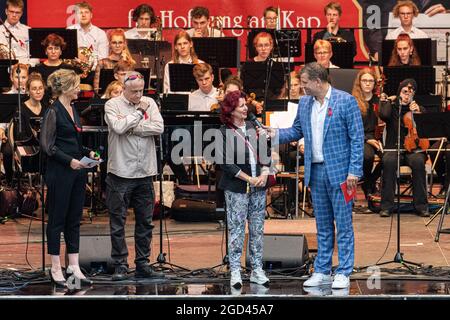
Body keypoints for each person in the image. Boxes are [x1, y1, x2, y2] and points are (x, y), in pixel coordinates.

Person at [264, 62, 364, 289]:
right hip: (316, 171)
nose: (302, 87)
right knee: (323, 225)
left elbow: (357, 139)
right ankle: (322, 270)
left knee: (344, 224)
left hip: (341, 173)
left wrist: (354, 171)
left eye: (305, 83)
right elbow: (297, 130)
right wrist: (274, 134)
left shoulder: (345, 101)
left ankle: (344, 271)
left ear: (318, 81)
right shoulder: (305, 103)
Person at [104, 71, 165, 281]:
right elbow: (119, 127)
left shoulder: (150, 102)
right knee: (118, 222)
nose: (139, 95)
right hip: (120, 172)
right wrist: (138, 113)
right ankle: (120, 264)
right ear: (124, 88)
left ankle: (142, 263)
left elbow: (159, 127)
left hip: (145, 171)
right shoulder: (112, 105)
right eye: (134, 92)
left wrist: (133, 127)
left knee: (145, 222)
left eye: (141, 90)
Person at [40, 69, 98, 287]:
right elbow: (47, 145)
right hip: (61, 171)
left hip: (77, 170)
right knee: (57, 219)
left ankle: (73, 265)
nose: (79, 89)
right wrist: (69, 161)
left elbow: (74, 140)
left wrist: (88, 152)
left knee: (74, 219)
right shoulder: (53, 111)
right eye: (76, 86)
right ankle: (55, 266)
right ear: (65, 88)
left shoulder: (73, 109)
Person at [217, 90, 271, 288]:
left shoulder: (253, 126)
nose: (245, 108)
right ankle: (235, 271)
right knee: (237, 229)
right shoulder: (223, 132)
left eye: (245, 104)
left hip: (259, 185)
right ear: (230, 111)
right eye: (241, 106)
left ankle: (257, 268)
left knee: (257, 228)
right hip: (237, 187)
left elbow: (265, 153)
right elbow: (226, 163)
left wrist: (264, 174)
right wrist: (249, 178)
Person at [378, 78, 429, 217]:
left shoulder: (419, 108)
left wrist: (418, 112)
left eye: (410, 93)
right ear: (399, 92)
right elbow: (383, 115)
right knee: (389, 162)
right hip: (394, 148)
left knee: (419, 162)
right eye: (404, 92)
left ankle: (421, 206)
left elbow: (427, 127)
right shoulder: (392, 107)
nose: (407, 95)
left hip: (413, 149)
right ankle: (387, 206)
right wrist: (389, 100)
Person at [351, 68, 382, 199]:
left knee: (390, 156)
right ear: (359, 83)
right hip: (360, 138)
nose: (368, 83)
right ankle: (368, 186)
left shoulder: (379, 101)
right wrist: (367, 139)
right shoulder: (352, 101)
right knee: (367, 156)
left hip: (377, 137)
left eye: (371, 81)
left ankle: (370, 181)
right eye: (365, 81)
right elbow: (350, 128)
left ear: (375, 83)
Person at [94, 29, 135, 94]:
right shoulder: (102, 63)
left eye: (120, 42)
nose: (117, 46)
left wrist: (124, 61)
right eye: (114, 42)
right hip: (106, 98)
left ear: (124, 44)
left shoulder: (130, 63)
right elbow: (97, 89)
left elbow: (133, 86)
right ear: (110, 44)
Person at [0, 0, 38, 65]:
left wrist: (28, 66)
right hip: (3, 68)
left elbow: (35, 55)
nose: (14, 15)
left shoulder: (28, 30)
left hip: (25, 68)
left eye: (17, 12)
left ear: (21, 13)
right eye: (11, 11)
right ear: (6, 11)